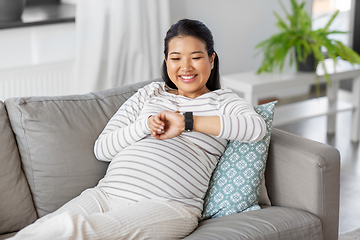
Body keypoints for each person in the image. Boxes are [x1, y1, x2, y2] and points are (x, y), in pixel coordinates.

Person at [8, 19, 266, 240]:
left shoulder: (224, 101)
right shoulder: (150, 93)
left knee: (73, 230)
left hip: (168, 206)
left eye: (196, 57)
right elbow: (103, 149)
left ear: (211, 59)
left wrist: (187, 122)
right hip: (107, 193)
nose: (185, 67)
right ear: (166, 61)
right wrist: (144, 125)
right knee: (42, 229)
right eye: (175, 58)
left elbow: (255, 128)